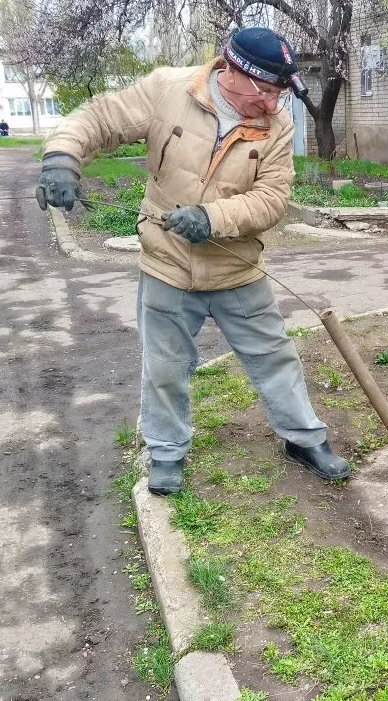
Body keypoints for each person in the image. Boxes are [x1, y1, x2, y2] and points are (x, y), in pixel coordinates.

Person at [35, 27, 350, 495]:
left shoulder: (276, 126)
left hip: (236, 267)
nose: (270, 104)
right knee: (164, 364)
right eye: (263, 90)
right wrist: (61, 158)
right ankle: (165, 452)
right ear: (231, 71)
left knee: (274, 356)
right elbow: (99, 117)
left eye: (278, 93)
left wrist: (213, 217)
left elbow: (271, 200)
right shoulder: (168, 90)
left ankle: (304, 440)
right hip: (167, 263)